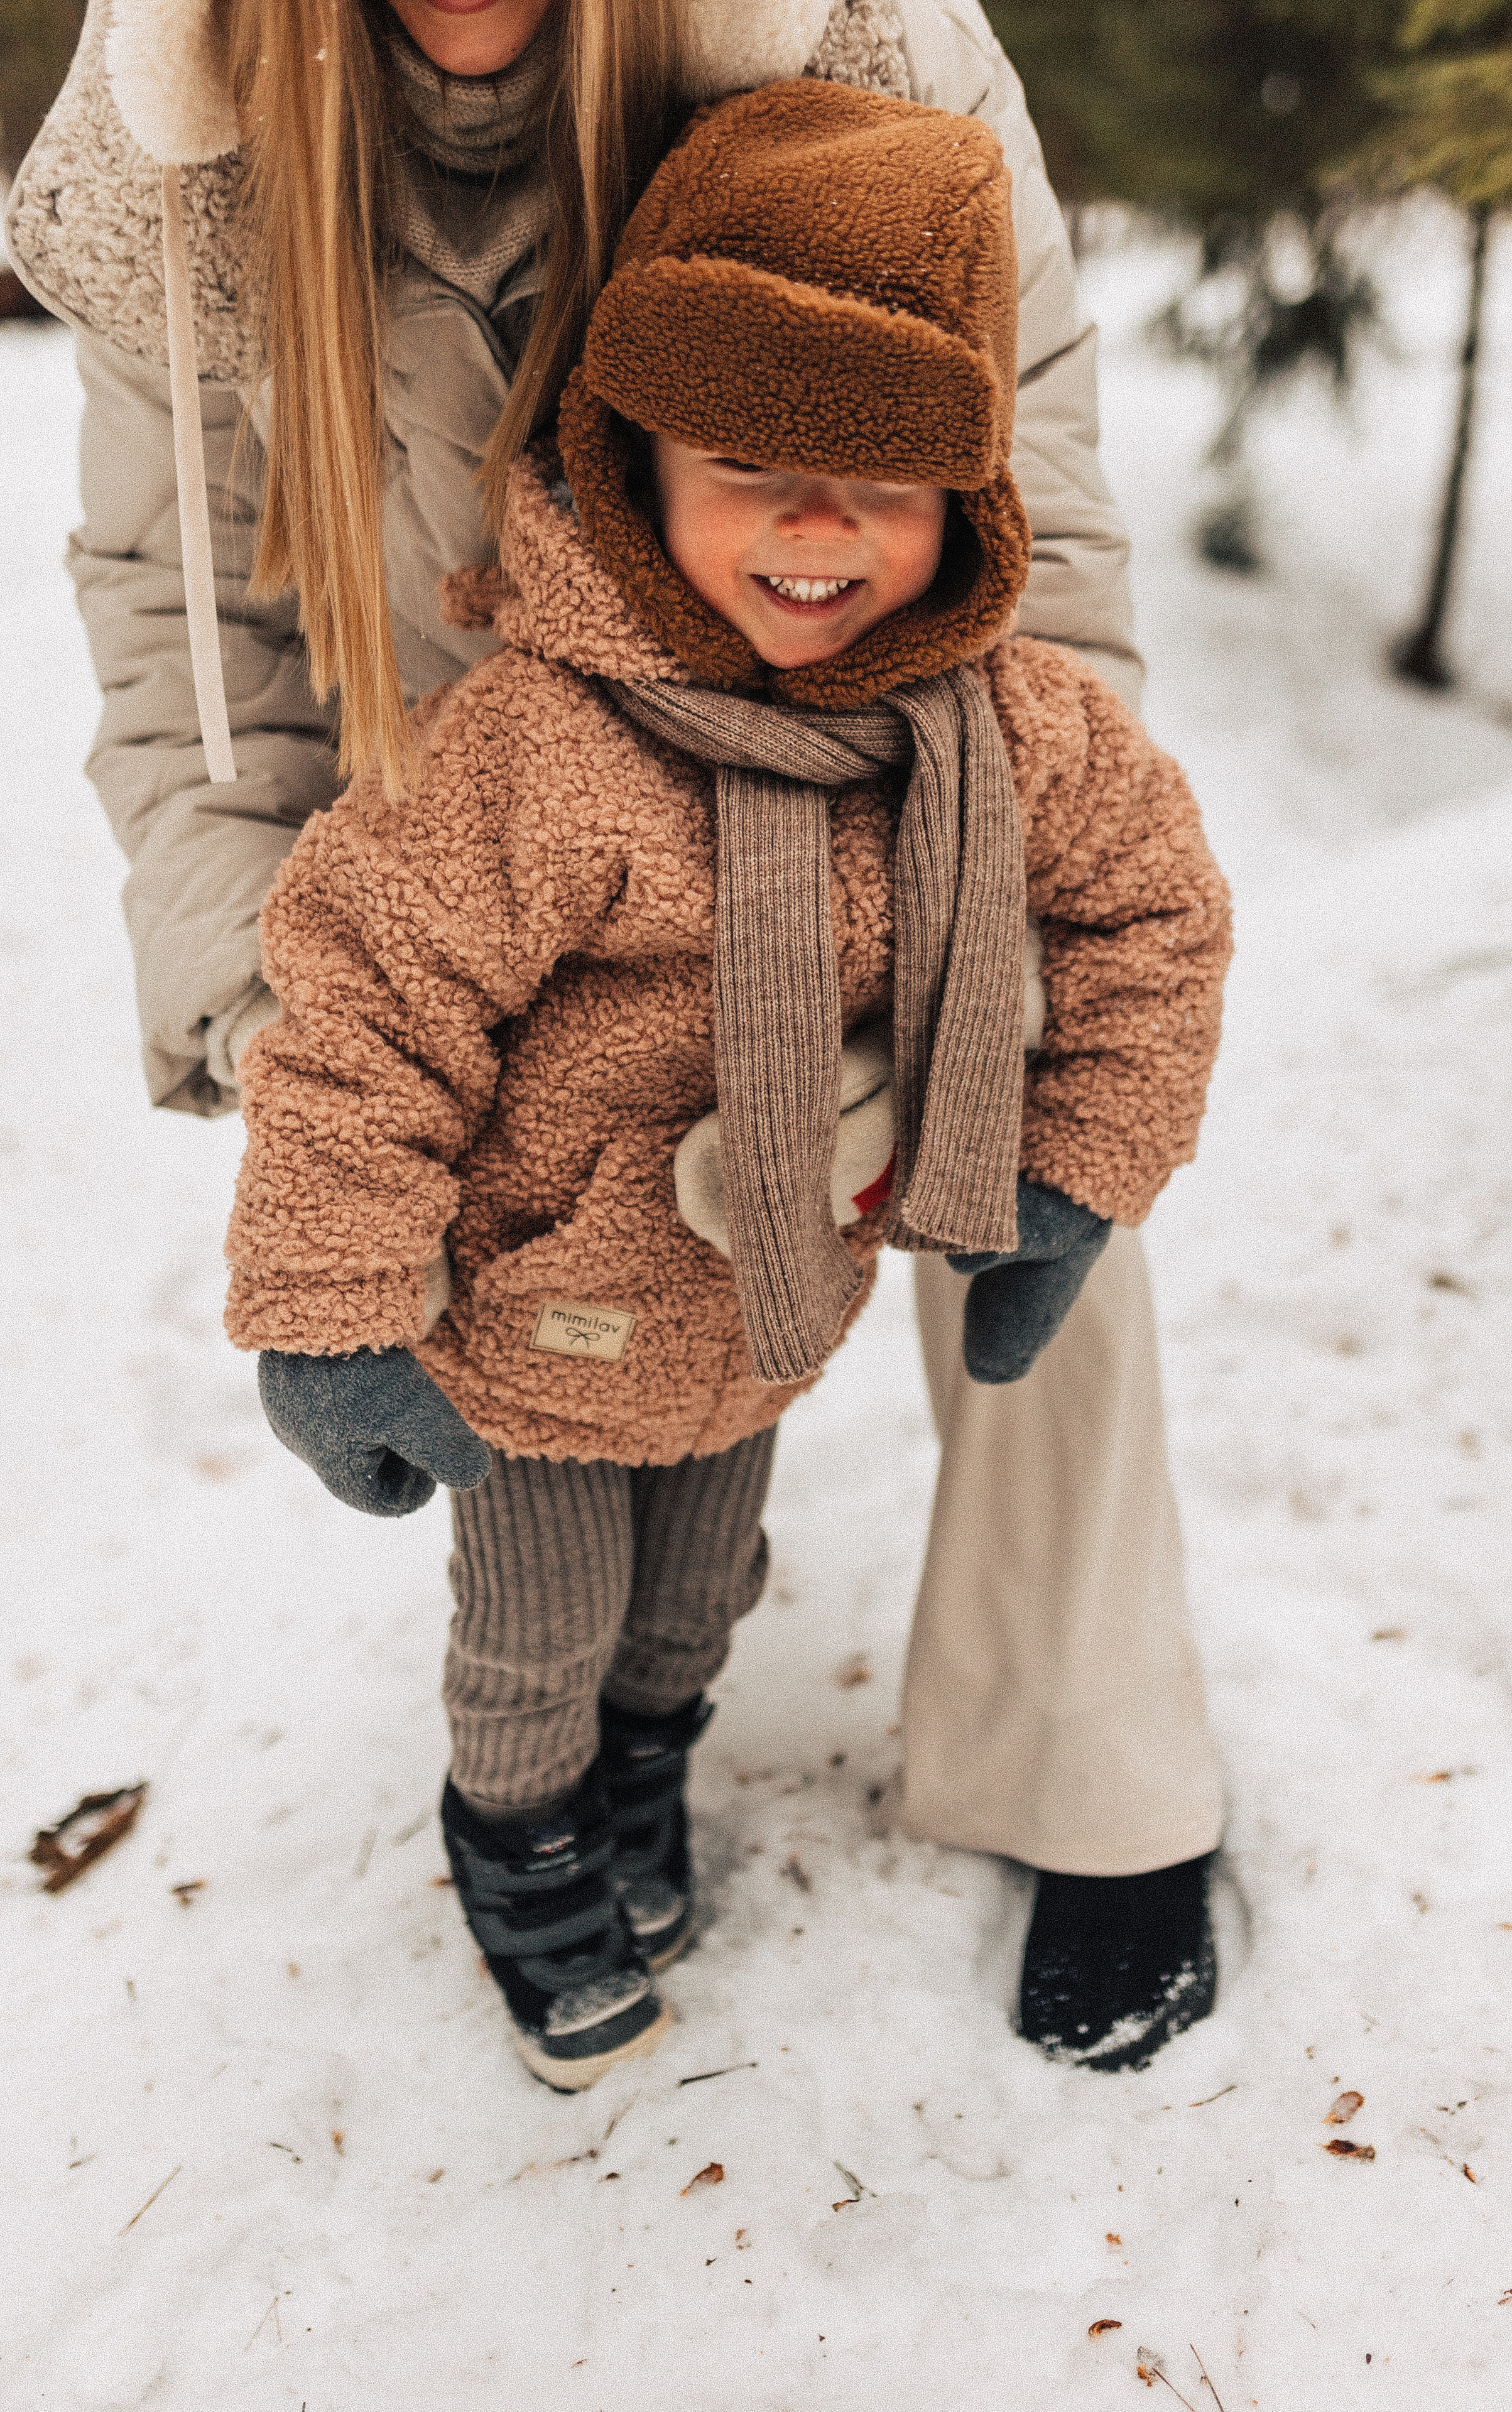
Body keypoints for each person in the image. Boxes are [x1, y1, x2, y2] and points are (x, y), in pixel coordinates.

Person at [6, 0, 1227, 2070]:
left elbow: (1042, 516)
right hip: (474, 760)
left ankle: (1087, 1750)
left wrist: (1005, 987)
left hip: (876, 723)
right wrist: (276, 1041)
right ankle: (537, 1805)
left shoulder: (858, 45)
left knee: (1040, 1136)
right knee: (536, 1504)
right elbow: (184, 614)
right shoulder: (185, 110)